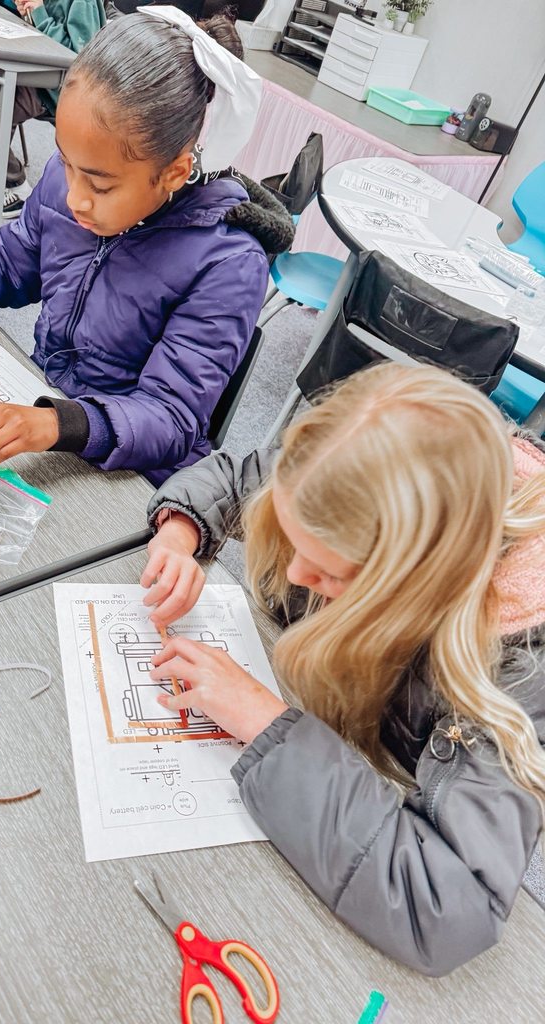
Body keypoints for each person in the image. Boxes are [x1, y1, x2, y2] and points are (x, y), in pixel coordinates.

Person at [141, 362, 545, 976]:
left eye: (333, 572)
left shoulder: (516, 673)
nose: (298, 574)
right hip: (343, 740)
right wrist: (179, 531)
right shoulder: (354, 461)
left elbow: (446, 904)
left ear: (420, 584)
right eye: (292, 537)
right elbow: (235, 474)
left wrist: (265, 721)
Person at [0, 10, 293, 485]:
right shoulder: (74, 184)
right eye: (65, 163)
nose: (73, 197)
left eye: (100, 185)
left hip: (130, 474)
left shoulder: (228, 264)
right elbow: (14, 260)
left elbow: (170, 419)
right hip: (46, 413)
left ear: (175, 170)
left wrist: (56, 423)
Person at [0, 0, 106, 217]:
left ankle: (17, 186)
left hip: (55, 88)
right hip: (27, 70)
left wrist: (38, 13)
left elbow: (79, 56)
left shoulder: (83, 3)